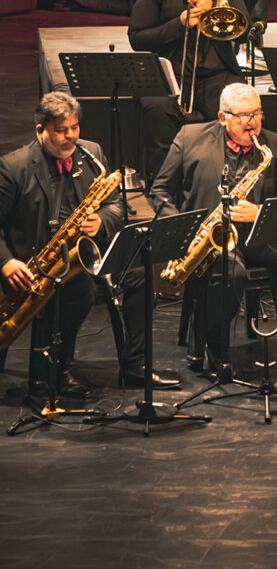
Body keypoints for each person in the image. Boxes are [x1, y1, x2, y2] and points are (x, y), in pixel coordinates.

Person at [150, 83, 277, 375]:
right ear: (222, 117)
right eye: (242, 115)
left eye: (256, 113)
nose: (251, 122)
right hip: (210, 240)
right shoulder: (190, 137)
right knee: (231, 271)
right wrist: (183, 232)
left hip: (260, 235)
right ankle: (217, 351)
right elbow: (160, 191)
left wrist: (260, 213)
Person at [0, 93, 179, 398]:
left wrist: (102, 220)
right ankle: (58, 370)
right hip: (34, 264)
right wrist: (6, 261)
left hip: (88, 250)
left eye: (75, 127)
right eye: (61, 130)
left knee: (141, 273)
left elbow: (115, 205)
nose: (71, 136)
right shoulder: (13, 166)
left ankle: (135, 364)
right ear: (40, 130)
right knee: (79, 288)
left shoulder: (91, 152)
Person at [128, 0, 247, 184]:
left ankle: (232, 180)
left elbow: (244, 32)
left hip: (217, 75)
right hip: (170, 76)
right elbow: (137, 38)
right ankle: (162, 184)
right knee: (155, 108)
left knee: (239, 108)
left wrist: (215, 8)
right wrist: (179, 23)